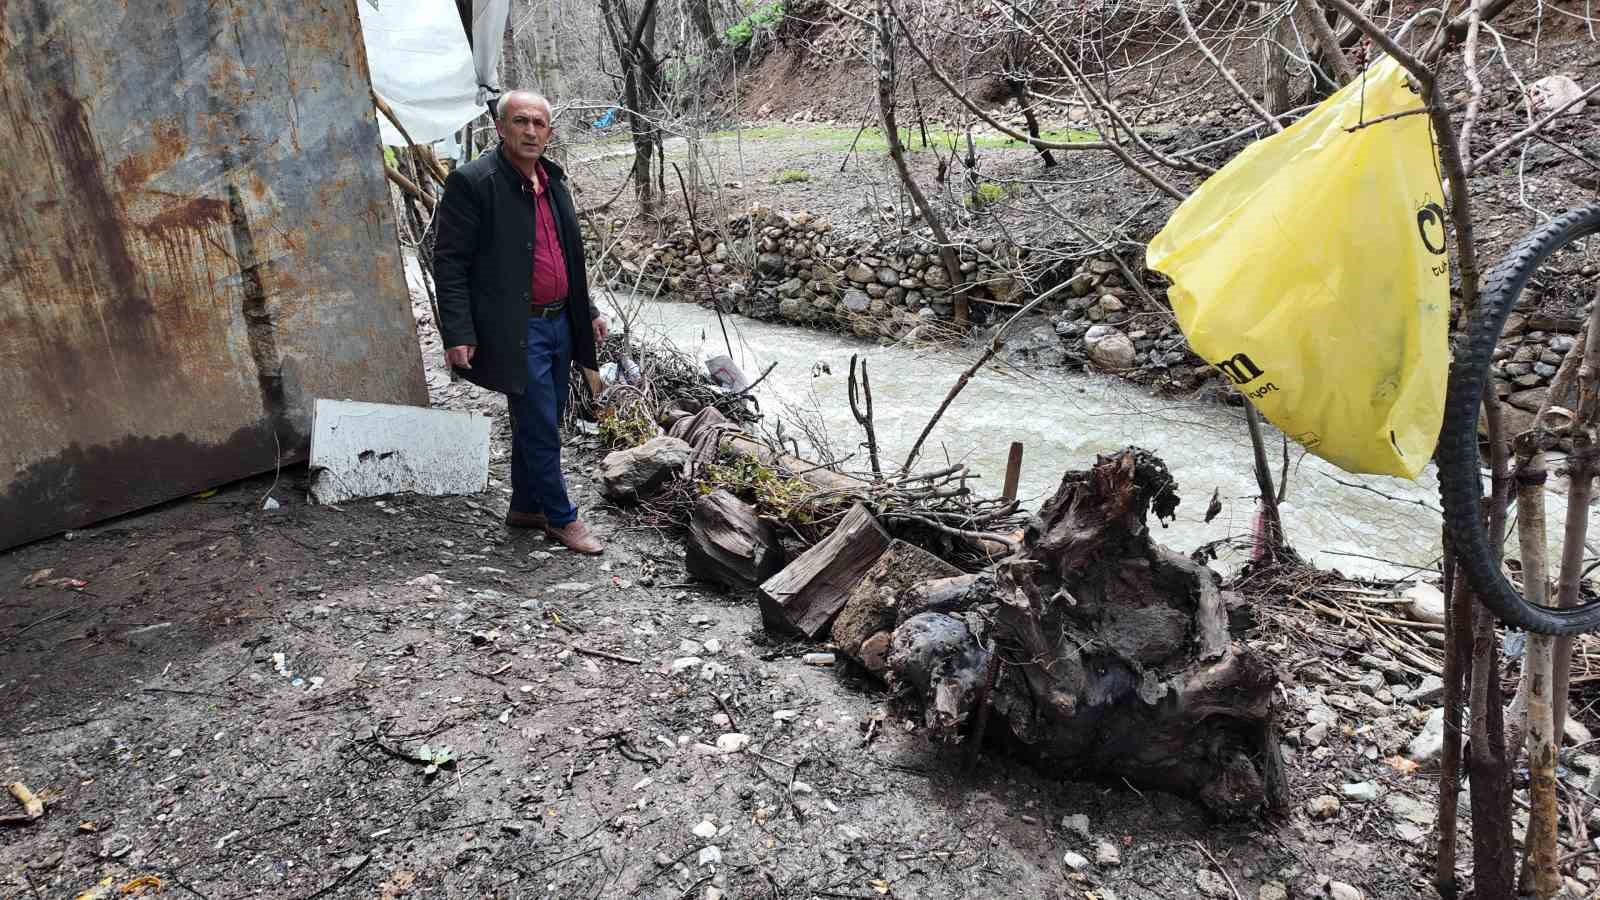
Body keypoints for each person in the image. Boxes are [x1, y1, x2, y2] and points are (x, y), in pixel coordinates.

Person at [434, 90, 607, 555]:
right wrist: (459, 332)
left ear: (549, 132)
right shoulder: (474, 182)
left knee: (543, 415)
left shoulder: (554, 181)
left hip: (559, 323)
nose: (531, 131)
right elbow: (449, 262)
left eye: (540, 123)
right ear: (501, 128)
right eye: (521, 121)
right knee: (540, 424)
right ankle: (560, 517)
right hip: (516, 327)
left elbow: (566, 256)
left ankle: (526, 505)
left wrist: (586, 310)